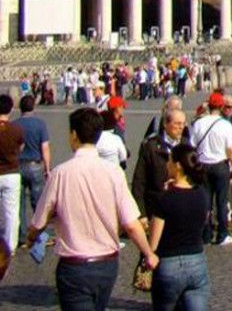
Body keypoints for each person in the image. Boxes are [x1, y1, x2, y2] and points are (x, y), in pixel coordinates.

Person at [27, 108, 159, 310]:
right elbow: (131, 223)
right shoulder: (114, 173)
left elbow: (39, 221)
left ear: (74, 135)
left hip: (74, 265)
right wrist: (148, 253)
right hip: (107, 265)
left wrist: (31, 237)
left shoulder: (60, 174)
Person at [147, 143, 211, 311]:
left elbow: (153, 243)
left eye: (168, 161)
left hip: (169, 264)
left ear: (177, 166)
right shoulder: (202, 195)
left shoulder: (164, 199)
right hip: (197, 260)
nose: (166, 165)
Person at [191, 93, 232, 246]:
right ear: (222, 107)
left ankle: (205, 234)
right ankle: (222, 234)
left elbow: (192, 146)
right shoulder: (225, 125)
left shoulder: (198, 123)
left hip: (203, 165)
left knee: (205, 202)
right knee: (222, 201)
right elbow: (231, 150)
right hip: (220, 165)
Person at [132, 108, 187, 224]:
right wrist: (141, 213)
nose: (181, 127)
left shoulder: (187, 146)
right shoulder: (151, 147)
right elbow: (139, 181)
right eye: (177, 123)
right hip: (156, 208)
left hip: (180, 207)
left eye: (183, 124)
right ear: (166, 124)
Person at [13, 94, 50, 246]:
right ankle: (40, 236)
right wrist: (48, 168)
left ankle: (21, 237)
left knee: (19, 203)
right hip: (35, 165)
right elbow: (45, 148)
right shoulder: (40, 124)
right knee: (39, 204)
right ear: (33, 107)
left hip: (18, 165)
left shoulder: (14, 124)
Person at [0, 95, 24, 256]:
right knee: (11, 212)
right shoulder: (17, 129)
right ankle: (10, 246)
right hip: (12, 172)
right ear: (11, 109)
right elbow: (20, 148)